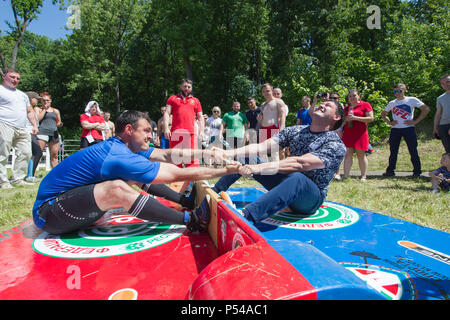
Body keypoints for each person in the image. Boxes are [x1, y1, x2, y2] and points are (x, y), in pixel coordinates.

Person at [32, 110, 242, 235]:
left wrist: (208, 153)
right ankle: (192, 220)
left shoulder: (126, 148)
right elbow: (175, 174)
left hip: (68, 208)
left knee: (133, 176)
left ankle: (184, 201)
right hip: (48, 215)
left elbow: (167, 155)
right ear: (129, 131)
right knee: (117, 187)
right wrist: (224, 170)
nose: (151, 136)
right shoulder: (116, 155)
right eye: (147, 131)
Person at [210, 99, 346, 224]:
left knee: (298, 178)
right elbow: (261, 147)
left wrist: (256, 168)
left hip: (310, 199)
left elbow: (301, 164)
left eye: (328, 105)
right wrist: (226, 153)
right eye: (322, 103)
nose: (322, 105)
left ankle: (245, 217)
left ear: (336, 117)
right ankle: (213, 194)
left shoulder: (336, 144)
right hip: (286, 182)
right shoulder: (295, 131)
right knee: (245, 157)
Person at [381, 83, 430, 177]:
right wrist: (389, 122)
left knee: (413, 150)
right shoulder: (392, 103)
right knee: (393, 151)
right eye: (395, 91)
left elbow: (426, 109)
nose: (397, 93)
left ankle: (417, 171)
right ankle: (390, 171)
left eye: (399, 91)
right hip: (395, 129)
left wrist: (415, 121)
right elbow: (383, 114)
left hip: (409, 128)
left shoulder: (411, 100)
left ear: (404, 90)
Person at [0, 68, 38, 189]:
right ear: (4, 77)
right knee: (3, 154)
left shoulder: (22, 95)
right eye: (12, 77)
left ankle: (18, 179)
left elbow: (29, 111)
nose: (15, 80)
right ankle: (2, 181)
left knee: (26, 152)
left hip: (22, 128)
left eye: (17, 78)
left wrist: (34, 125)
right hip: (4, 124)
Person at [163, 78, 204, 168]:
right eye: (185, 86)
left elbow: (200, 117)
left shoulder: (196, 101)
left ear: (191, 88)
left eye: (189, 87)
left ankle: (192, 181)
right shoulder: (172, 98)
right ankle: (176, 181)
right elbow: (167, 113)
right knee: (175, 159)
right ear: (181, 86)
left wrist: (202, 131)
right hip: (175, 132)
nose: (186, 88)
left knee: (192, 158)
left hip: (191, 133)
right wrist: (166, 128)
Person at [341, 90, 374, 181]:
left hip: (360, 133)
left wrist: (356, 118)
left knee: (361, 155)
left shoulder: (365, 105)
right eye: (350, 96)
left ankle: (363, 176)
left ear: (359, 96)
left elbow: (371, 118)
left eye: (354, 96)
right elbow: (342, 121)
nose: (352, 98)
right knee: (348, 154)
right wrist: (345, 121)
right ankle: (346, 176)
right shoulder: (347, 108)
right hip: (348, 133)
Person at [35, 92, 63, 168]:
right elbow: (37, 119)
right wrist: (45, 109)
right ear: (41, 101)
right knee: (38, 154)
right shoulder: (38, 109)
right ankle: (31, 174)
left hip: (53, 133)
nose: (46, 102)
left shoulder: (56, 111)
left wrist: (60, 124)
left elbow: (58, 122)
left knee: (54, 156)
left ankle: (56, 174)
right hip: (42, 133)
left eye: (47, 100)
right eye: (44, 100)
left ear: (50, 100)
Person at [25, 91, 43, 182]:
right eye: (37, 99)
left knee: (35, 153)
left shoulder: (32, 108)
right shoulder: (26, 109)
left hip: (32, 133)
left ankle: (30, 175)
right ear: (31, 99)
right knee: (37, 152)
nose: (38, 101)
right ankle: (29, 175)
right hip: (28, 133)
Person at [434, 74, 450, 152]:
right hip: (443, 126)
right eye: (443, 83)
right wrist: (435, 128)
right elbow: (438, 114)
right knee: (448, 150)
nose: (446, 84)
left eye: (448, 82)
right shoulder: (440, 98)